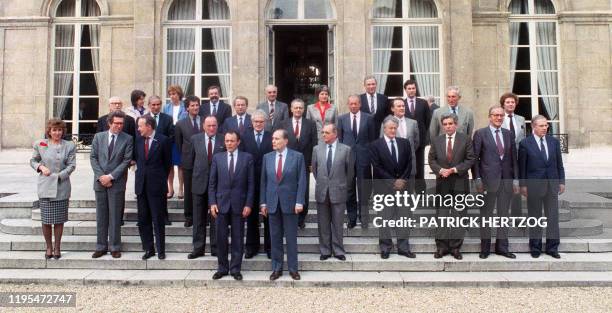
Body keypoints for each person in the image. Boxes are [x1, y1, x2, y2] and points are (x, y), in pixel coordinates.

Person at [260, 129, 307, 281]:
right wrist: (263, 203)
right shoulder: (267, 157)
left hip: (291, 204)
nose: (273, 141)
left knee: (291, 238)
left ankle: (293, 269)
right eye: (273, 139)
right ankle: (277, 268)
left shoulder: (297, 157)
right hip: (272, 203)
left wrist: (300, 201)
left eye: (277, 139)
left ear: (286, 141)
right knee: (275, 238)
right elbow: (264, 182)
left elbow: (302, 181)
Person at [472, 105, 518, 259]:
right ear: (489, 116)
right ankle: (485, 248)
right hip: (487, 181)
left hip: (506, 181)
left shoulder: (508, 134)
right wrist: (477, 179)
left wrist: (515, 180)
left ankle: (502, 247)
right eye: (496, 115)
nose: (499, 118)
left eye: (501, 115)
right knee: (486, 215)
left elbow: (514, 159)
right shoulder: (480, 134)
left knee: (504, 215)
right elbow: (475, 160)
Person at [428, 113, 475, 260]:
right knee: (442, 216)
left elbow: (470, 158)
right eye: (445, 124)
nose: (448, 126)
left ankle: (455, 247)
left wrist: (454, 169)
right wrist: (440, 170)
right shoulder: (437, 140)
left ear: (456, 124)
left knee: (458, 216)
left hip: (459, 181)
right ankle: (441, 247)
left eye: (450, 123)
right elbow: (431, 159)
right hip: (443, 182)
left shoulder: (465, 139)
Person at [209, 131, 255, 281]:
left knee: (237, 238)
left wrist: (248, 204)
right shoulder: (218, 158)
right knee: (220, 238)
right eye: (227, 141)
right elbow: (212, 184)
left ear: (238, 142)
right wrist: (212, 203)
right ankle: (222, 268)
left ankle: (235, 269)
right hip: (221, 204)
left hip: (239, 205)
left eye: (232, 141)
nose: (229, 143)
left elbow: (251, 184)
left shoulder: (247, 158)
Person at [519, 115, 565, 259]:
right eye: (541, 126)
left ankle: (552, 248)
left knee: (552, 217)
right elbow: (522, 167)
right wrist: (523, 185)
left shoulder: (554, 142)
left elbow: (559, 164)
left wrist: (562, 181)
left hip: (552, 185)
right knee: (535, 217)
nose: (545, 128)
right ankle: (535, 247)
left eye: (546, 125)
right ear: (533, 126)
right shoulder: (525, 143)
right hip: (534, 186)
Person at [369, 116, 415, 259]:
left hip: (403, 188)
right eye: (390, 128)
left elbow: (409, 163)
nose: (393, 130)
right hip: (384, 188)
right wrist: (392, 181)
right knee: (384, 218)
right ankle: (385, 247)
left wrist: (402, 180)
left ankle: (403, 247)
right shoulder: (375, 145)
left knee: (404, 217)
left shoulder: (405, 143)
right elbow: (376, 167)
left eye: (395, 128)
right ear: (384, 129)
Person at [30, 119, 76, 259]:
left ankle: (57, 247)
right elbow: (33, 160)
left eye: (60, 130)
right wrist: (40, 167)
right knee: (46, 220)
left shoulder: (69, 145)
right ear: (49, 131)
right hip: (45, 186)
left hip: (62, 186)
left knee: (59, 220)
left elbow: (72, 165)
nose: (57, 133)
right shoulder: (40, 144)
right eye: (54, 130)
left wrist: (59, 176)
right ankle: (48, 246)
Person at [90, 111, 133, 259]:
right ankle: (101, 246)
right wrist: (101, 176)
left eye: (121, 123)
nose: (119, 126)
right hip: (100, 181)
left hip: (117, 182)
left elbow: (126, 161)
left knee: (115, 216)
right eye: (116, 123)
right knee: (101, 216)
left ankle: (115, 246)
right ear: (109, 123)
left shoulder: (128, 139)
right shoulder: (98, 137)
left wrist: (110, 176)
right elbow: (93, 158)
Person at [312, 124, 354, 261]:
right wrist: (323, 183)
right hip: (322, 191)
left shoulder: (346, 150)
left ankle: (338, 250)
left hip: (339, 191)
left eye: (326, 132)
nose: (323, 135)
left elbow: (350, 172)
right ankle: (325, 250)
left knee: (337, 223)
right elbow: (315, 170)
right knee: (323, 223)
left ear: (335, 134)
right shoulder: (317, 149)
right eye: (323, 132)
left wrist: (342, 185)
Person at [134, 115, 172, 260]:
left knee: (158, 219)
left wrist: (159, 179)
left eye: (140, 126)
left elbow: (167, 164)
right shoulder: (138, 140)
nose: (138, 129)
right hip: (141, 186)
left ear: (149, 126)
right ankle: (148, 248)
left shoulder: (163, 140)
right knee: (143, 219)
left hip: (157, 186)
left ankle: (161, 250)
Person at [337, 95, 376, 229]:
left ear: (360, 104)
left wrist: (371, 158)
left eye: (355, 104)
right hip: (347, 160)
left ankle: (364, 219)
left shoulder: (369, 118)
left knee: (364, 190)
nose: (353, 106)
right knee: (349, 190)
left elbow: (373, 140)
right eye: (351, 104)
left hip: (364, 159)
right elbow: (340, 141)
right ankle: (352, 219)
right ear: (348, 105)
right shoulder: (341, 119)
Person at [188, 116, 224, 259]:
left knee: (216, 218)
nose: (211, 128)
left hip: (218, 186)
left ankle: (215, 248)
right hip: (199, 185)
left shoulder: (223, 139)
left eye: (214, 125)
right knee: (198, 219)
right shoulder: (195, 139)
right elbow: (189, 163)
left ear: (217, 126)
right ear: (203, 126)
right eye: (208, 125)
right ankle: (198, 248)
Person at [279, 99, 317, 230]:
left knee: (303, 190)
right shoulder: (283, 124)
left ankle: (301, 219)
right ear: (291, 109)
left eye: (300, 108)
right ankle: (288, 217)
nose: (298, 110)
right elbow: (279, 143)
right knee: (288, 189)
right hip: (287, 163)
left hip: (304, 163)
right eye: (296, 108)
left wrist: (312, 162)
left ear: (304, 109)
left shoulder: (310, 124)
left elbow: (314, 144)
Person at [240, 110, 274, 258]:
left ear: (265, 123)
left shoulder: (271, 137)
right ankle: (251, 247)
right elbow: (241, 160)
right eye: (256, 122)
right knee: (252, 216)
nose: (258, 124)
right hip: (250, 182)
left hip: (268, 182)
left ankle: (269, 247)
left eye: (261, 122)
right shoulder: (244, 137)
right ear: (252, 122)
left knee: (268, 216)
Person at [145, 95, 175, 225]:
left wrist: (162, 144)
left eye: (158, 104)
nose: (156, 107)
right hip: (147, 159)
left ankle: (163, 216)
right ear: (149, 105)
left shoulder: (167, 118)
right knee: (145, 189)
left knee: (162, 190)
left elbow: (171, 135)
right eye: (153, 105)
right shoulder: (143, 119)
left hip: (161, 159)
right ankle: (146, 217)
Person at [174, 95, 202, 227]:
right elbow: (179, 144)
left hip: (203, 161)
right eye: (192, 105)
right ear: (187, 108)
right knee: (189, 189)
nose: (195, 107)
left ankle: (202, 216)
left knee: (203, 189)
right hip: (188, 161)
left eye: (197, 105)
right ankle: (189, 216)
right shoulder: (180, 124)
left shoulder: (205, 121)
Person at [500, 92, 526, 217]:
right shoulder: (499, 118)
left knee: (517, 187)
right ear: (503, 104)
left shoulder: (521, 119)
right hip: (503, 158)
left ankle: (517, 217)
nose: (510, 104)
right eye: (508, 102)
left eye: (512, 102)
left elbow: (523, 138)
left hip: (518, 158)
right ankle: (503, 216)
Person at [383, 99, 420, 184]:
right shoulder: (386, 123)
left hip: (409, 165)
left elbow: (416, 142)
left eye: (403, 106)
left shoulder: (413, 123)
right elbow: (383, 144)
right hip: (392, 166)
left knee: (409, 193)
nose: (402, 108)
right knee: (393, 195)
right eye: (399, 106)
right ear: (392, 109)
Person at [403, 80, 430, 192]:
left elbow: (427, 121)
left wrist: (423, 136)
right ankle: (406, 192)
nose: (411, 90)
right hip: (406, 142)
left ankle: (420, 192)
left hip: (420, 142)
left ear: (416, 89)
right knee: (406, 167)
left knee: (419, 167)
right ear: (405, 90)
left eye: (413, 88)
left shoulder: (423, 103)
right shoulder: (402, 104)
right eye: (409, 88)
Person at [162, 85, 187, 199]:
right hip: (170, 138)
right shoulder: (166, 107)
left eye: (174, 94)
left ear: (179, 95)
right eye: (170, 94)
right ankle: (170, 188)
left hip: (181, 138)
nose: (172, 96)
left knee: (181, 165)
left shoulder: (184, 106)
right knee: (170, 165)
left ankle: (181, 188)